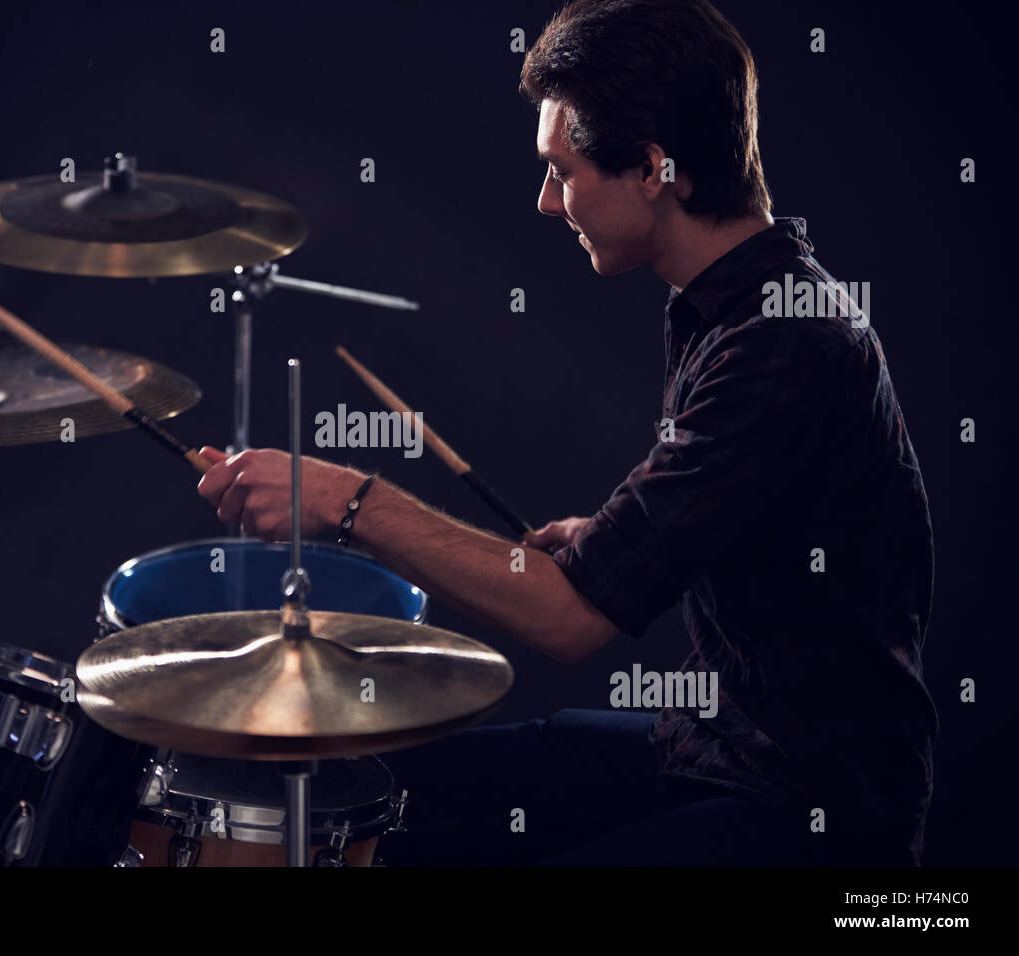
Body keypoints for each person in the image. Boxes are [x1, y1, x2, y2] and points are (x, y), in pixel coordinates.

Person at [196, 0, 936, 866]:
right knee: (380, 793)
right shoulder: (726, 301)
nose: (547, 202)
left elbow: (571, 622)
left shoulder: (779, 344)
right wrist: (605, 540)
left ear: (655, 167)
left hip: (816, 810)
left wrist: (345, 501)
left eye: (563, 169)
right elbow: (743, 517)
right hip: (713, 748)